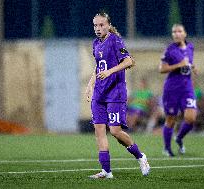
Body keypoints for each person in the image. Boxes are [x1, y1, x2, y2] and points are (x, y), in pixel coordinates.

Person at [85, 12, 150, 179]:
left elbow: (129, 61)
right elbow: (98, 67)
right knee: (99, 130)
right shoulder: (95, 44)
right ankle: (106, 171)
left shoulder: (114, 40)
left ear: (108, 25)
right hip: (99, 93)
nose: (98, 28)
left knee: (115, 131)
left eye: (101, 25)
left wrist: (110, 72)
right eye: (95, 26)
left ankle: (140, 156)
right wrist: (90, 84)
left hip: (115, 92)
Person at [159, 24, 198, 157]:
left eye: (179, 31)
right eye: (174, 32)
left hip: (187, 88)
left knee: (191, 118)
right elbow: (162, 69)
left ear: (185, 33)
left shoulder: (191, 47)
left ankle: (179, 137)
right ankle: (167, 148)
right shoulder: (169, 50)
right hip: (172, 89)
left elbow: (188, 62)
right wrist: (178, 65)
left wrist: (193, 66)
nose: (176, 34)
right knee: (171, 119)